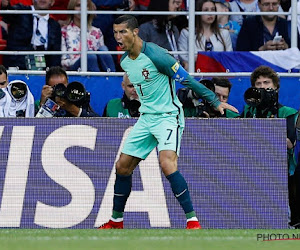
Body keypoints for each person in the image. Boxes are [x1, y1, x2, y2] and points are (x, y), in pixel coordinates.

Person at [98, 14, 238, 230]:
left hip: (167, 117)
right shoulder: (125, 60)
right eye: (115, 32)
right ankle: (116, 222)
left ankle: (192, 221)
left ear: (135, 32)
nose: (118, 36)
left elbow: (187, 80)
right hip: (146, 118)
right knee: (122, 167)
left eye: (123, 31)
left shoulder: (157, 55)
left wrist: (212, 100)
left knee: (167, 163)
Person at [241, 65, 298, 228]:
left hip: (280, 171)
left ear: (276, 87)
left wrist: (268, 129)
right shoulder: (247, 111)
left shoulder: (288, 112)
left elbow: (290, 144)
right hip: (251, 169)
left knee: (279, 220)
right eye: (258, 84)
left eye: (267, 83)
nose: (263, 87)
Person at [1, 0, 61, 70]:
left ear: (52, 2)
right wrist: (5, 6)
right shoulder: (21, 11)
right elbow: (7, 15)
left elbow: (55, 54)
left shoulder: (55, 25)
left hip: (42, 66)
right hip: (17, 63)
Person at [61, 0, 116, 72]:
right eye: (78, 5)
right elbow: (64, 61)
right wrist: (83, 58)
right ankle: (99, 80)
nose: (82, 8)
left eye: (86, 6)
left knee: (103, 49)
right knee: (90, 56)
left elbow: (102, 58)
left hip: (96, 66)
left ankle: (112, 76)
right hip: (74, 69)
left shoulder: (97, 31)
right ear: (72, 8)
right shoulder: (64, 31)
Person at [178, 0, 232, 70]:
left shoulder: (224, 33)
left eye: (213, 10)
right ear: (198, 12)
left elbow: (229, 57)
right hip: (195, 75)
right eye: (206, 10)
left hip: (220, 75)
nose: (210, 13)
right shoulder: (186, 33)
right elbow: (183, 58)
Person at [35, 66, 100, 117]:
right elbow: (33, 128)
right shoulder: (41, 103)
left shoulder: (76, 100)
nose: (60, 91)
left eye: (63, 87)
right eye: (56, 87)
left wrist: (72, 108)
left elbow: (99, 122)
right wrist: (43, 105)